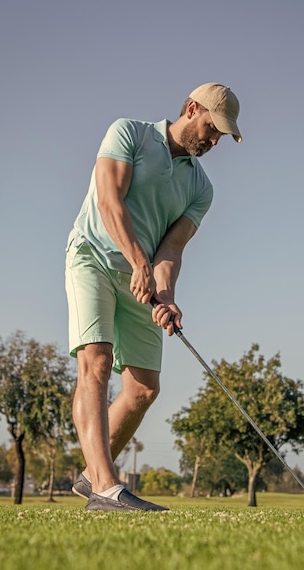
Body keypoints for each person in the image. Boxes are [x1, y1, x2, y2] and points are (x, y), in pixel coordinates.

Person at [65, 82, 242, 512]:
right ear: (190, 108)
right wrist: (138, 262)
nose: (214, 140)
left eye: (221, 135)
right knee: (98, 360)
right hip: (93, 257)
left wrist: (166, 296)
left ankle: (91, 476)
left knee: (144, 389)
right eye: (211, 127)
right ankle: (107, 488)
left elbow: (171, 250)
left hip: (140, 279)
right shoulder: (128, 133)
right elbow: (110, 201)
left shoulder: (202, 188)